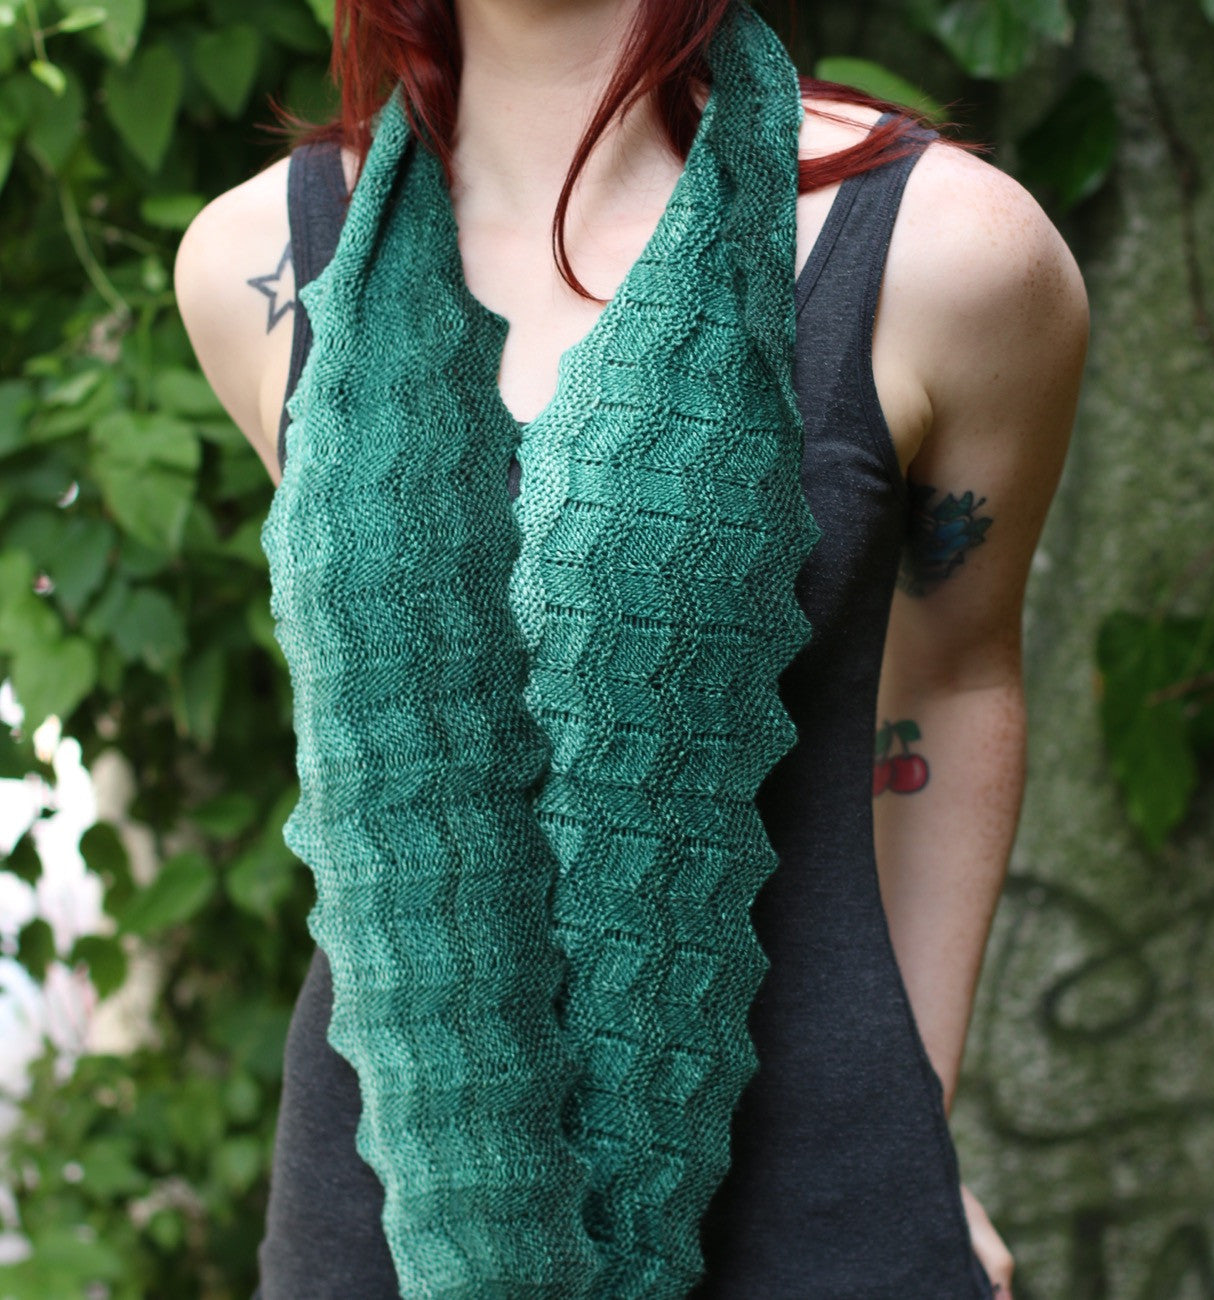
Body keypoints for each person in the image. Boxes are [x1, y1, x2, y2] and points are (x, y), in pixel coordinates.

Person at [175, 1, 1087, 1295]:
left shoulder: (949, 254)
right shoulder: (256, 264)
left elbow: (954, 677)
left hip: (819, 1206)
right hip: (376, 1215)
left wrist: (915, 1111)